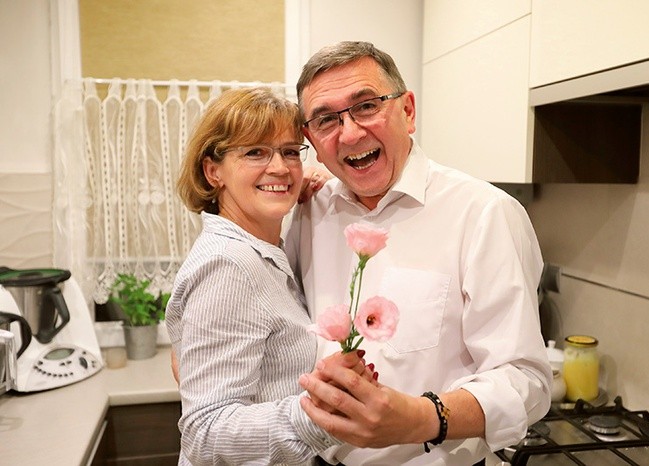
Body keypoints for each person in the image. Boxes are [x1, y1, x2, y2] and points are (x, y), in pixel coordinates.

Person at [284, 41, 552, 465]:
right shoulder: (308, 211)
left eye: (366, 106)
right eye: (326, 120)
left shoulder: (483, 213)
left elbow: (526, 380)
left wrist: (421, 418)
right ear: (312, 140)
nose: (349, 133)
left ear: (407, 111)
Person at [166, 87, 371, 465]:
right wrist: (322, 413)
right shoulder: (229, 266)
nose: (280, 167)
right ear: (213, 171)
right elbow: (204, 432)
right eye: (254, 152)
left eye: (290, 152)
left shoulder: (262, 253)